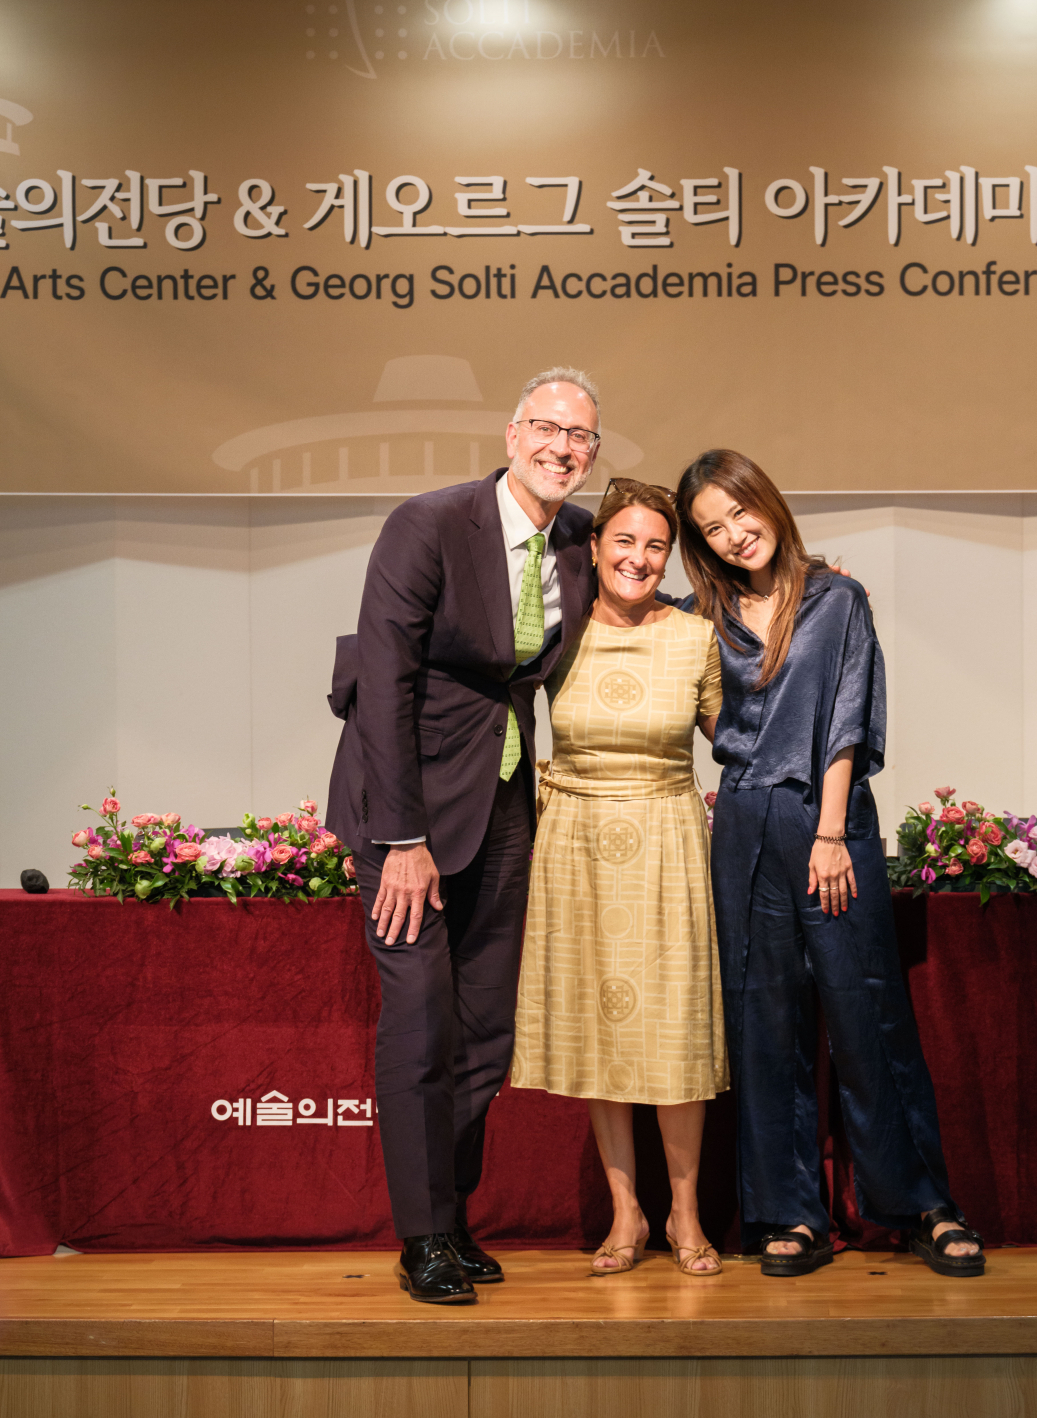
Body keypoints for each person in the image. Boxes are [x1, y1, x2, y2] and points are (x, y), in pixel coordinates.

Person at [326, 368, 602, 1305]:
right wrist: (401, 837)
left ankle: (453, 1214)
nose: (563, 448)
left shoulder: (578, 537)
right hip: (404, 815)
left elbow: (648, 601)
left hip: (503, 803)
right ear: (514, 430)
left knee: (487, 1027)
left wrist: (801, 591)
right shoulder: (432, 523)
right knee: (421, 1019)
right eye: (550, 429)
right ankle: (422, 1235)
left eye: (582, 438)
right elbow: (384, 680)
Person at [675, 449, 985, 1279]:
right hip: (744, 821)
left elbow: (848, 717)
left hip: (827, 819)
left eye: (739, 513)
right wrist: (742, 760)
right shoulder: (700, 615)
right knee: (762, 1022)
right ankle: (790, 1211)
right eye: (712, 529)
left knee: (867, 1010)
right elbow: (697, 707)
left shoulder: (837, 598)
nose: (735, 535)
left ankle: (922, 1203)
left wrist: (831, 831)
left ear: (766, 502)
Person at [511, 479, 727, 1276]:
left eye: (655, 546)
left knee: (674, 1029)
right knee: (605, 1027)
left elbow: (737, 733)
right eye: (624, 542)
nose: (639, 558)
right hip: (577, 837)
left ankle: (685, 1211)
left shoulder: (697, 636)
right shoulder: (554, 634)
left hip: (668, 835)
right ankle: (626, 1212)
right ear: (595, 547)